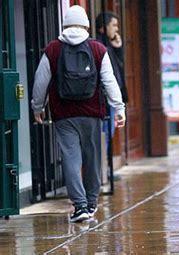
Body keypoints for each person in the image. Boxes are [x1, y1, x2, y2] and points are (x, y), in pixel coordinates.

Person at [31, 5, 126, 223]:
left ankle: (80, 206)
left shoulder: (53, 49)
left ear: (64, 24)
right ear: (86, 25)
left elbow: (40, 81)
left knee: (71, 158)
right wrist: (118, 108)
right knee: (92, 158)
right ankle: (91, 202)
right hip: (92, 114)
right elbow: (109, 81)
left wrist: (38, 107)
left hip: (64, 115)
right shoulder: (97, 49)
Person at [96, 12, 128, 142]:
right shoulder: (100, 46)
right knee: (105, 134)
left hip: (112, 98)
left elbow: (119, 67)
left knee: (109, 133)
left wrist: (118, 48)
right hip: (105, 98)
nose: (117, 29)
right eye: (113, 25)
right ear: (104, 27)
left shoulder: (108, 45)